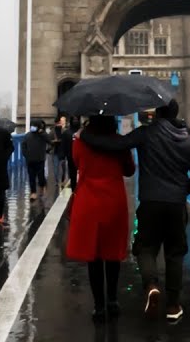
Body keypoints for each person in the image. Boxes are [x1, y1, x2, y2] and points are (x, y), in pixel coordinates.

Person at [81, 99, 190, 321]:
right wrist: (182, 191)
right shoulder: (188, 140)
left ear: (157, 113)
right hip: (176, 205)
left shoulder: (147, 133)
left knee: (145, 248)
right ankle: (174, 306)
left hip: (150, 203)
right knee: (175, 253)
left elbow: (115, 145)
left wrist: (86, 135)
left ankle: (151, 285)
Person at [66, 114, 136, 322]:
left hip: (88, 201)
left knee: (93, 255)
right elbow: (130, 170)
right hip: (113, 200)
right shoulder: (119, 143)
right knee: (112, 252)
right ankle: (112, 300)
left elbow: (77, 163)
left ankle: (98, 306)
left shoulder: (79, 142)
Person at [22, 120, 51, 200]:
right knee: (31, 177)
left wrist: (42, 133)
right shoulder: (27, 135)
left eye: (34, 126)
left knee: (41, 176)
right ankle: (33, 192)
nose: (33, 127)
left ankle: (42, 186)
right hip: (30, 160)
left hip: (40, 159)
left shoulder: (43, 135)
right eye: (32, 125)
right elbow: (23, 145)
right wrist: (26, 155)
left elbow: (49, 141)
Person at [50, 116, 70, 189]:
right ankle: (56, 181)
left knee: (63, 167)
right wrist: (54, 141)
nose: (59, 124)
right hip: (55, 151)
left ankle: (62, 180)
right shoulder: (52, 131)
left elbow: (67, 140)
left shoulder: (65, 131)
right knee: (56, 167)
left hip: (62, 151)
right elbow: (49, 140)